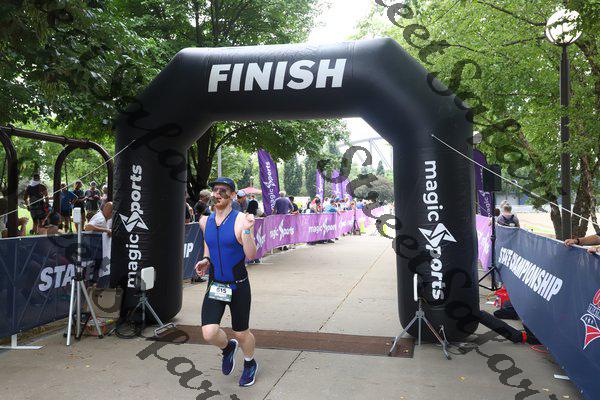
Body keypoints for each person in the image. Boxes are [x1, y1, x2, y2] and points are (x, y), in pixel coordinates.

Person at [194, 177, 259, 387]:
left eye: (223, 190)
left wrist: (247, 230)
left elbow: (251, 254)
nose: (218, 193)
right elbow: (209, 244)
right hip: (216, 284)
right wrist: (206, 260)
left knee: (241, 333)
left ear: (232, 195)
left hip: (238, 284)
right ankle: (227, 348)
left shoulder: (241, 220)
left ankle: (250, 363)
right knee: (209, 332)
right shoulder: (205, 221)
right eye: (215, 190)